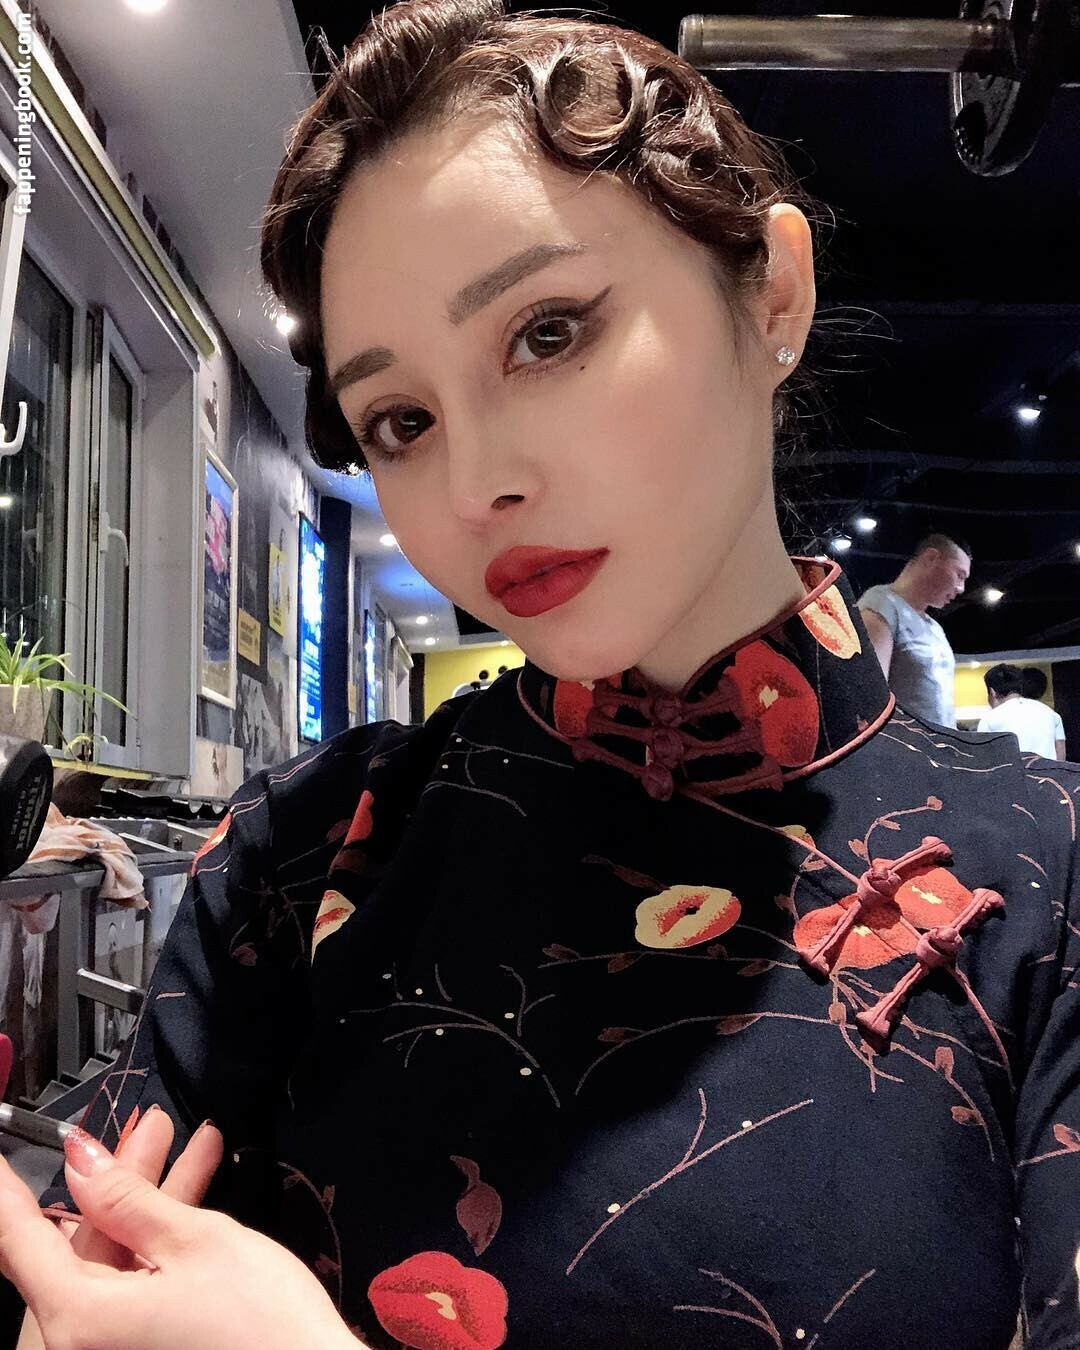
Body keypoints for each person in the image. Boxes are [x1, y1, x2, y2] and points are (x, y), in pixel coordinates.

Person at [6, 1, 1080, 1346]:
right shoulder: (312, 845)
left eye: (549, 333)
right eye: (402, 417)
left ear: (773, 296)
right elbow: (84, 1305)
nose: (475, 484)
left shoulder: (1044, 871)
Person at [857, 534, 971, 728]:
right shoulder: (880, 605)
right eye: (959, 575)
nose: (961, 588)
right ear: (931, 558)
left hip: (940, 743)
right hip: (905, 744)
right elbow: (869, 701)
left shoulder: (934, 628)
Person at [978, 663, 1067, 760]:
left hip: (1010, 769)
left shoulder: (988, 720)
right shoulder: (1051, 714)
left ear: (992, 692)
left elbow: (983, 758)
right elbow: (1060, 756)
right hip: (1048, 770)